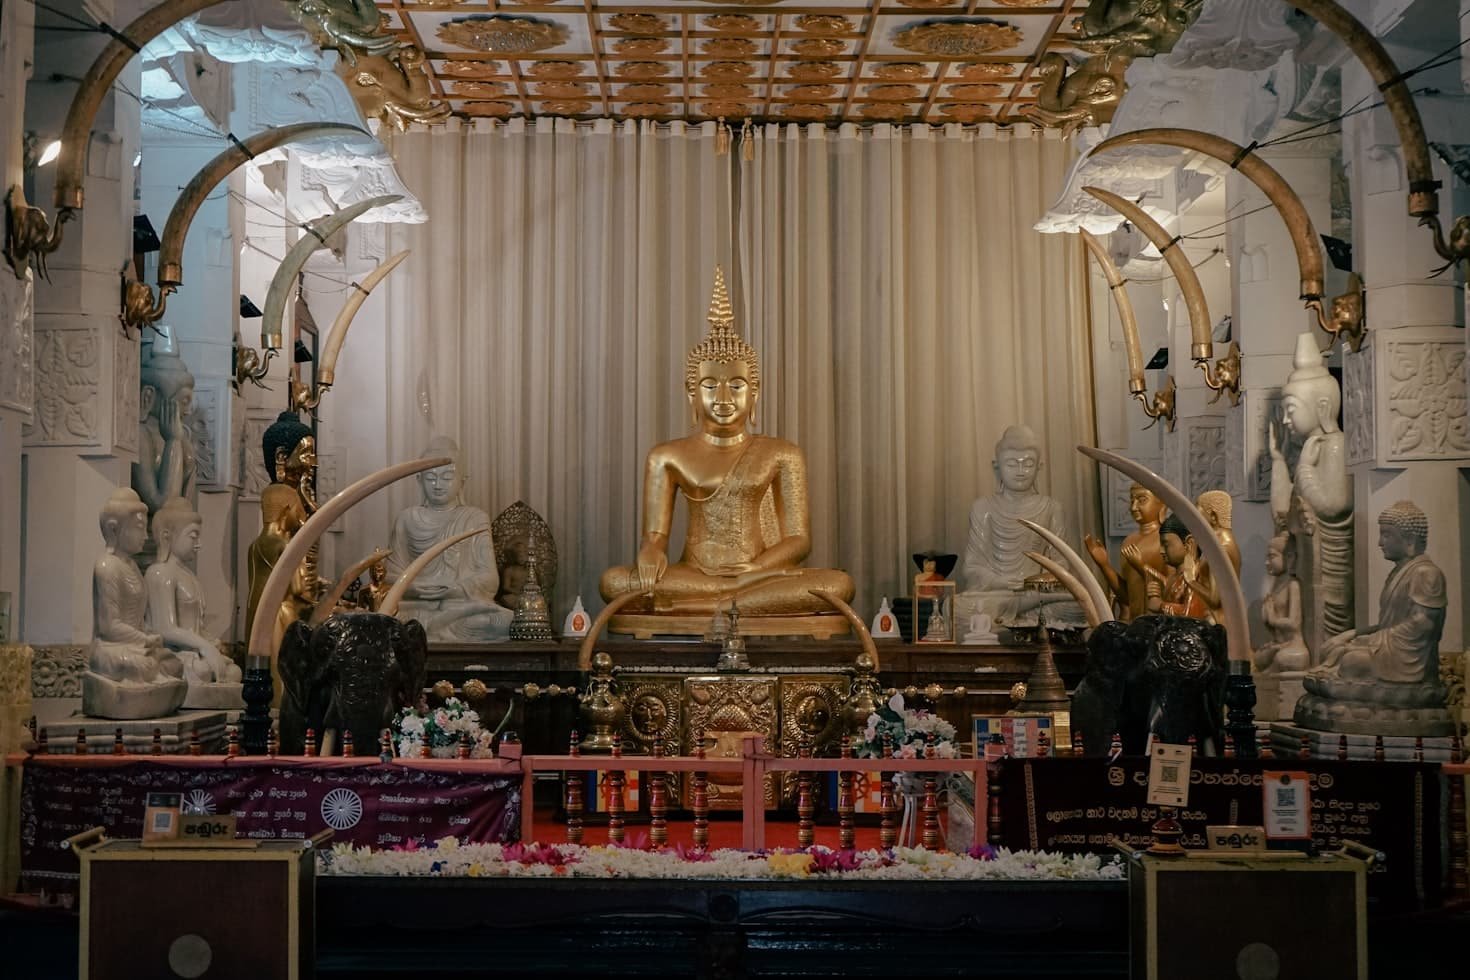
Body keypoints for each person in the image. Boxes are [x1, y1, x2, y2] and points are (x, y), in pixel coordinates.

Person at [599, 267, 854, 621]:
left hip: (759, 575)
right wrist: (651, 550)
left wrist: (755, 569)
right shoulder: (667, 456)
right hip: (694, 575)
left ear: (755, 393)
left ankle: (711, 606)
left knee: (837, 584)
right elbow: (655, 534)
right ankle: (730, 603)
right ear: (691, 392)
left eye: (736, 386)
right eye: (709, 386)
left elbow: (799, 540)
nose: (723, 398)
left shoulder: (782, 453)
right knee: (614, 582)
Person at [958, 424, 1082, 627]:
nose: (1021, 471)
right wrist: (1001, 581)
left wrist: (1034, 582)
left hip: (1036, 593)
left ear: (1039, 466)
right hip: (998, 592)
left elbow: (1061, 565)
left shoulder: (1051, 508)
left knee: (1076, 607)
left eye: (1028, 464)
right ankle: (1024, 615)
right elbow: (972, 567)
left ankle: (1019, 614)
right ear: (996, 466)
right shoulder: (983, 508)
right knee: (958, 608)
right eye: (1012, 464)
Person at [387, 437, 510, 642]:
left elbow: (490, 579)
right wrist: (415, 588)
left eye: (447, 477)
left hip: (459, 606)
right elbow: (389, 578)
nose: (438, 485)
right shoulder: (407, 518)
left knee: (498, 621)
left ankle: (430, 629)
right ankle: (431, 627)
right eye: (430, 478)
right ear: (419, 480)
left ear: (462, 480)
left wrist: (453, 589)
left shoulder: (474, 518)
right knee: (391, 620)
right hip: (414, 606)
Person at [144, 497, 241, 688]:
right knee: (202, 671)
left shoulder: (189, 576)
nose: (198, 544)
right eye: (193, 536)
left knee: (234, 672)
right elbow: (165, 629)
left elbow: (195, 626)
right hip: (171, 652)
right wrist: (203, 646)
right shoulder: (159, 573)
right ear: (167, 536)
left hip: (194, 650)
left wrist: (210, 641)